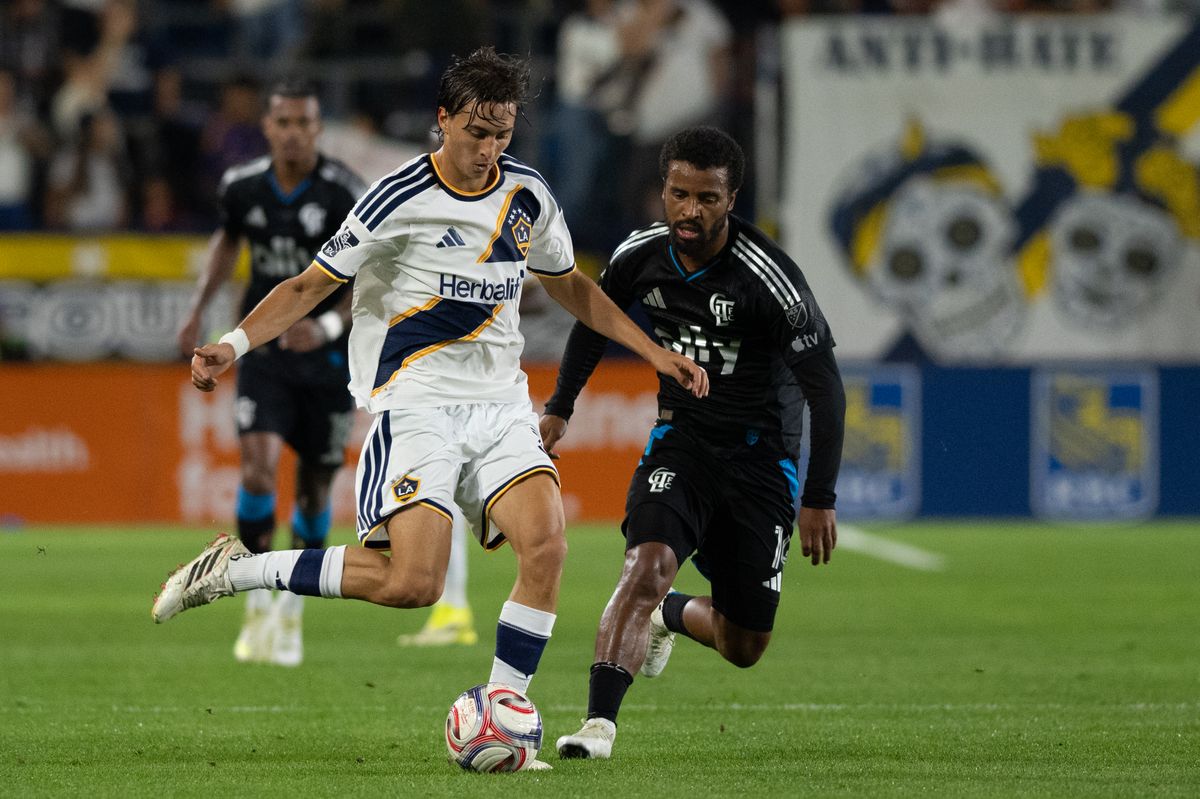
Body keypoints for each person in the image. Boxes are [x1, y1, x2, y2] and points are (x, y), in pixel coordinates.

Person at [153, 48, 708, 757]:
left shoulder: (528, 194)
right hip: (417, 404)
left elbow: (571, 284)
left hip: (501, 405)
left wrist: (653, 351)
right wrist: (231, 344)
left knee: (546, 546)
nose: (489, 149)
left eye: (502, 133)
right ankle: (234, 569)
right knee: (413, 584)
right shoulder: (397, 197)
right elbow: (308, 285)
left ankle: (506, 716)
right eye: (477, 132)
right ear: (443, 119)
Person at [542, 126, 845, 760]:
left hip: (762, 459)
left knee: (744, 644)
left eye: (707, 198)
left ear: (731, 199)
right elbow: (594, 323)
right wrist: (561, 408)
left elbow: (826, 390)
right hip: (682, 441)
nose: (689, 210)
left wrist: (819, 498)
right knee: (646, 563)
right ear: (663, 191)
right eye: (679, 194)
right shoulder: (640, 256)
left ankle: (670, 614)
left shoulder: (770, 280)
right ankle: (597, 725)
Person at [174, 77, 366, 667]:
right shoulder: (242, 186)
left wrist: (326, 326)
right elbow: (227, 243)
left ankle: (291, 610)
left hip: (329, 360)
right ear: (267, 127)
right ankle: (257, 601)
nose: (293, 133)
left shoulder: (344, 192)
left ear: (318, 128)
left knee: (313, 488)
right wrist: (199, 308)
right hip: (263, 353)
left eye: (303, 123)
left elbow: (366, 276)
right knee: (257, 472)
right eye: (283, 122)